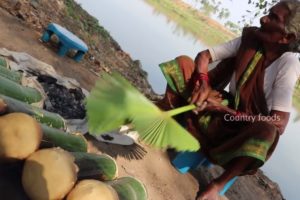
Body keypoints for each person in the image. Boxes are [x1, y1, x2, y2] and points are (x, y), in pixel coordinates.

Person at [157, 0, 300, 199]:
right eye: (268, 13)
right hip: (219, 105)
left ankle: (217, 185)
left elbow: (279, 123)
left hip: (240, 125)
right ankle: (165, 118)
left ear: (287, 37)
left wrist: (223, 111)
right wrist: (205, 84)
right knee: (183, 64)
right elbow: (204, 56)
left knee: (267, 132)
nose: (263, 18)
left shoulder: (289, 62)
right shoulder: (250, 39)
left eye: (273, 18)